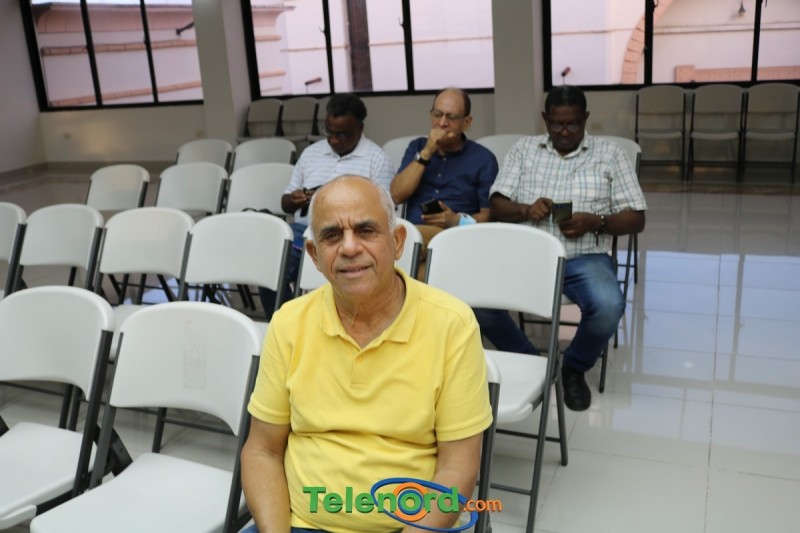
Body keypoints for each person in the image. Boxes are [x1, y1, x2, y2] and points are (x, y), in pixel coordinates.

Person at [241, 175, 493, 533]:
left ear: (397, 241)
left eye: (366, 230)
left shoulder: (452, 324)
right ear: (314, 255)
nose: (349, 248)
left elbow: (458, 468)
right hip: (297, 523)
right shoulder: (289, 322)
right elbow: (262, 450)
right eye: (332, 236)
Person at [489, 85, 647, 412]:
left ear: (585, 118)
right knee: (476, 303)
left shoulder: (610, 154)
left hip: (584, 258)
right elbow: (497, 205)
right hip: (528, 256)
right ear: (545, 119)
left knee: (608, 306)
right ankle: (532, 363)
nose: (564, 132)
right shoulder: (524, 150)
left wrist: (596, 222)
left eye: (572, 123)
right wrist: (525, 210)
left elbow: (637, 219)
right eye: (556, 124)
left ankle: (573, 367)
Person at [390, 87, 537, 355]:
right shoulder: (417, 148)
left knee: (399, 257)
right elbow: (397, 194)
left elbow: (490, 215)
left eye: (451, 117)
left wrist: (455, 220)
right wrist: (427, 152)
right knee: (418, 279)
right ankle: (522, 354)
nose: (442, 123)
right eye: (437, 114)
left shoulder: (482, 159)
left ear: (467, 122)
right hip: (417, 247)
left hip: (460, 240)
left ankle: (416, 352)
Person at [258, 93, 394, 320]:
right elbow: (285, 203)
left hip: (350, 235)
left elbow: (384, 213)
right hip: (303, 231)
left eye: (342, 134)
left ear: (359, 129)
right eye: (329, 132)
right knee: (269, 268)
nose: (333, 140)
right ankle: (287, 324)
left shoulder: (376, 159)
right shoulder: (311, 154)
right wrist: (295, 199)